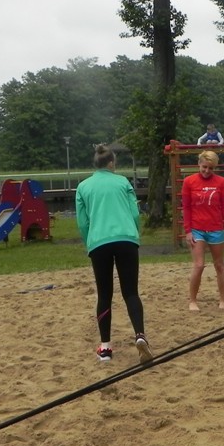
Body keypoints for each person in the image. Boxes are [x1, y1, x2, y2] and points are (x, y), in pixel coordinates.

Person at [75, 144, 153, 363]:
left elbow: (82, 222)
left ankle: (106, 347)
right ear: (111, 163)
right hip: (126, 239)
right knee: (131, 292)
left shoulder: (83, 187)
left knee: (104, 295)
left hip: (99, 242)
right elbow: (135, 213)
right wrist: (134, 233)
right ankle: (140, 335)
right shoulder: (123, 182)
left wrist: (89, 242)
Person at [181, 150, 224, 311]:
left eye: (211, 168)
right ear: (199, 164)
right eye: (204, 167)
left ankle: (223, 300)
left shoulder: (221, 182)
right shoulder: (189, 181)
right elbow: (186, 207)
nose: (207, 171)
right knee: (199, 265)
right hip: (197, 229)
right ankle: (192, 300)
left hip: (216, 229)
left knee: (219, 265)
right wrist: (188, 231)